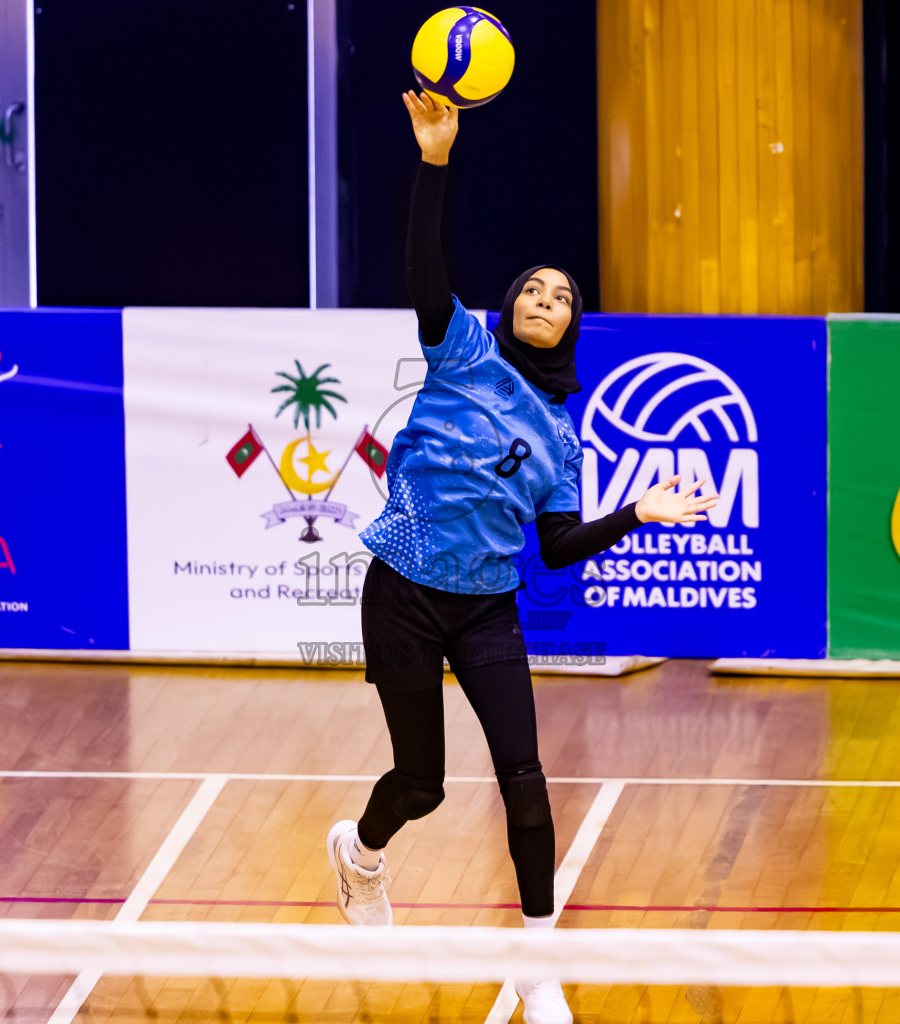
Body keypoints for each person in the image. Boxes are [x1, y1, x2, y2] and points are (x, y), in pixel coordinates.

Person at [325, 92, 717, 1024]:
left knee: (527, 784)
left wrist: (638, 512)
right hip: (402, 595)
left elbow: (558, 547)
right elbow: (424, 264)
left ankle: (539, 966)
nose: (545, 300)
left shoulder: (562, 438)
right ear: (509, 306)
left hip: (488, 610)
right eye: (533, 289)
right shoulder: (462, 349)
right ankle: (361, 854)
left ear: (573, 326)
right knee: (422, 785)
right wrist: (434, 160)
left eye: (562, 297)